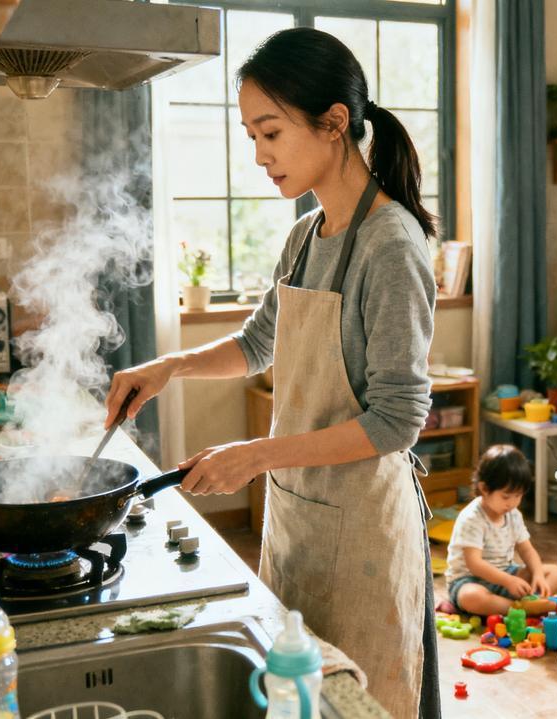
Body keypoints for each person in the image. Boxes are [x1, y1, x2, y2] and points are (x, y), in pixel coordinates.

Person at [104, 28, 439, 718]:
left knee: (354, 702)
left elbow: (397, 420)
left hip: (363, 535)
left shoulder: (391, 245)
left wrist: (254, 455)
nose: (258, 155)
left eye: (270, 132)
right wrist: (170, 366)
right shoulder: (304, 233)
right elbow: (261, 343)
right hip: (297, 519)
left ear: (334, 124)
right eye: (250, 135)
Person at [445, 445, 557, 616]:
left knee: (554, 572)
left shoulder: (513, 514)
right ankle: (519, 608)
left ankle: (530, 602)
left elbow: (526, 549)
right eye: (506, 496)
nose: (512, 503)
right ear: (485, 489)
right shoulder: (472, 518)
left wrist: (537, 574)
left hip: (506, 574)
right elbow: (475, 564)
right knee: (472, 597)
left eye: (518, 496)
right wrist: (508, 581)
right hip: (470, 580)